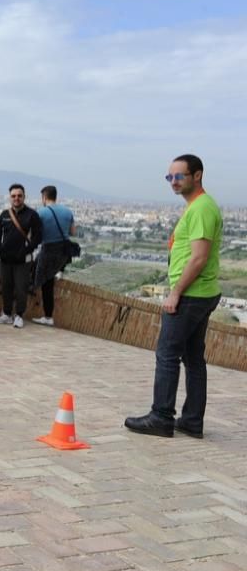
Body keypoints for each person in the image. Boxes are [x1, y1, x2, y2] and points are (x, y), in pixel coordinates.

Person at [125, 154, 223, 439]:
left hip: (191, 294)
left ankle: (161, 416)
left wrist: (176, 292)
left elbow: (199, 258)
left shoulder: (202, 208)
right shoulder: (197, 206)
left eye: (179, 176)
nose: (174, 181)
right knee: (193, 358)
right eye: (170, 177)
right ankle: (192, 420)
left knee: (167, 354)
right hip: (201, 293)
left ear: (197, 175)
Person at [0, 183, 42, 329]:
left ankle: (19, 315)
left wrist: (27, 250)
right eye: (13, 196)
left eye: (19, 196)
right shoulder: (4, 215)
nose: (16, 198)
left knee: (21, 288)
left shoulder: (32, 215)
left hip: (22, 260)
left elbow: (38, 237)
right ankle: (7, 314)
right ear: (10, 197)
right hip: (5, 259)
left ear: (24, 197)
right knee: (6, 287)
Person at [32, 186, 76, 327]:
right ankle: (60, 272)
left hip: (48, 251)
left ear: (44, 197)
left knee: (46, 283)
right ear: (55, 196)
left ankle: (48, 316)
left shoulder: (41, 212)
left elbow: (35, 234)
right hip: (63, 252)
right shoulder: (68, 212)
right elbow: (73, 232)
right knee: (49, 281)